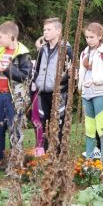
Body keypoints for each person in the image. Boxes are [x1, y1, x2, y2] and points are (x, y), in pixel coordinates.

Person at [0, 21, 32, 173]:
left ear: (10, 36)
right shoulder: (0, 51)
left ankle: (16, 162)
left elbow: (25, 76)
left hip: (14, 97)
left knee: (15, 129)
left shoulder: (23, 54)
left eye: (0, 37)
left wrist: (7, 70)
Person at [30, 18, 73, 156]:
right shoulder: (43, 49)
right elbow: (37, 69)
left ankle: (58, 155)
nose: (45, 33)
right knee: (45, 122)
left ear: (58, 31)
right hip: (43, 92)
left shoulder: (66, 50)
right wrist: (37, 81)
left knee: (58, 123)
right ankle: (48, 153)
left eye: (49, 30)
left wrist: (59, 84)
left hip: (59, 93)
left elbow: (71, 72)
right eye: (44, 30)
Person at [77, 22, 103, 160]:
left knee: (101, 127)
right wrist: (80, 85)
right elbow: (82, 72)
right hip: (86, 94)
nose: (89, 40)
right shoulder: (85, 52)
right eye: (87, 37)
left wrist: (95, 80)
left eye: (92, 37)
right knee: (89, 127)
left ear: (100, 36)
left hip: (100, 93)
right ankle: (89, 158)